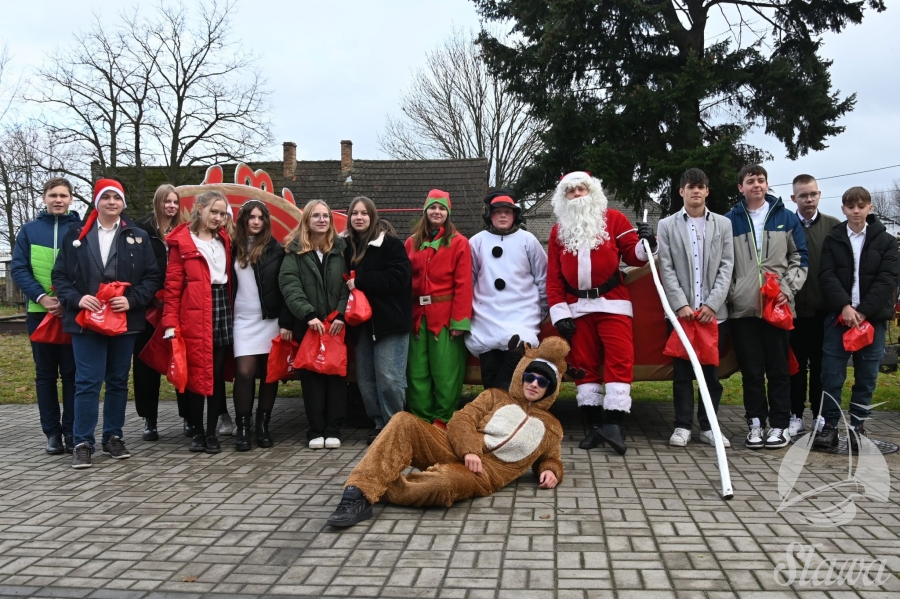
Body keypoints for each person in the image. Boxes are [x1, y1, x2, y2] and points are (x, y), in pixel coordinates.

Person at [325, 336, 569, 528]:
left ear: (551, 388)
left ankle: (376, 485)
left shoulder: (552, 428)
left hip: (484, 474)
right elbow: (461, 419)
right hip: (453, 445)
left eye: (543, 381)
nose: (534, 384)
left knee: (442, 485)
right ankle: (355, 494)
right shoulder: (495, 396)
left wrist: (551, 471)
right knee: (403, 421)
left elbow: (551, 458)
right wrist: (469, 450)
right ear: (522, 375)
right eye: (530, 376)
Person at [51, 179, 160, 468]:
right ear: (96, 202)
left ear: (123, 203)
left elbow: (152, 277)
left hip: (124, 321)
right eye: (106, 197)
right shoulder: (76, 235)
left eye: (117, 197)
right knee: (87, 382)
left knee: (117, 381)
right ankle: (82, 442)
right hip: (86, 322)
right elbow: (59, 276)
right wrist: (76, 299)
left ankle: (113, 436)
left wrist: (133, 300)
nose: (112, 202)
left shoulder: (137, 236)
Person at [546, 171, 654, 455]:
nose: (577, 195)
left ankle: (614, 425)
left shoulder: (615, 219)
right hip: (576, 308)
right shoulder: (558, 231)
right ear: (564, 197)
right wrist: (560, 313)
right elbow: (554, 278)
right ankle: (594, 426)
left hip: (612, 303)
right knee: (584, 364)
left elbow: (633, 256)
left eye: (582, 189)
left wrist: (647, 244)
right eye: (571, 191)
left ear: (592, 192)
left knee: (620, 358)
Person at [724, 165, 808, 450]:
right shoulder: (729, 221)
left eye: (761, 180)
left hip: (778, 307)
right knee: (751, 370)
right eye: (750, 181)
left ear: (767, 184)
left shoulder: (785, 217)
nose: (756, 185)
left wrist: (787, 289)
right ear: (741, 187)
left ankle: (780, 425)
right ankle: (756, 424)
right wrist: (733, 292)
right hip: (743, 308)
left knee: (779, 369)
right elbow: (724, 263)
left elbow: (800, 257)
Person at [814, 187, 899, 450]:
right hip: (839, 318)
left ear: (870, 208)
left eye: (861, 206)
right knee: (831, 374)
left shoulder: (886, 241)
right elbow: (826, 275)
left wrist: (863, 311)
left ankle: (857, 426)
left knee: (867, 375)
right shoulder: (834, 238)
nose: (856, 211)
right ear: (843, 209)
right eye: (851, 206)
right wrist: (845, 306)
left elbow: (888, 278)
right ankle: (829, 426)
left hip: (872, 319)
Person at [656, 168, 734, 448]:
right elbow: (666, 267)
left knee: (711, 374)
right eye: (691, 187)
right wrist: (681, 304)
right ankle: (682, 425)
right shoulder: (667, 225)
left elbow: (727, 265)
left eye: (701, 187)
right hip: (682, 314)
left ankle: (709, 426)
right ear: (682, 191)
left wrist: (713, 304)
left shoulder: (723, 224)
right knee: (682, 373)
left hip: (714, 315)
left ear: (707, 191)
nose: (696, 191)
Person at [11, 178, 80, 455]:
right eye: (53, 195)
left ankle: (73, 431)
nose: (58, 199)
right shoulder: (29, 230)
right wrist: (42, 297)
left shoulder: (81, 229)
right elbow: (19, 269)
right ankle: (52, 433)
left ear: (71, 199)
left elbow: (87, 269)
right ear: (44, 198)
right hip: (39, 314)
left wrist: (67, 300)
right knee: (46, 375)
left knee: (74, 375)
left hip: (72, 314)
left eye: (63, 195)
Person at [161, 190, 233, 454]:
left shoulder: (224, 239)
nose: (218, 218)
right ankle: (197, 433)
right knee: (193, 374)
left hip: (220, 307)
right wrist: (170, 323)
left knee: (214, 374)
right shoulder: (182, 242)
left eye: (222, 213)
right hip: (193, 312)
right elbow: (172, 286)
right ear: (199, 208)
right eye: (213, 211)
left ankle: (212, 432)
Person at [279, 200, 349, 449]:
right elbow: (290, 286)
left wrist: (341, 314)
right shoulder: (294, 251)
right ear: (306, 220)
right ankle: (315, 430)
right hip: (309, 325)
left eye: (326, 216)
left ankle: (333, 429)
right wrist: (308, 315)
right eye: (316, 216)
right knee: (312, 379)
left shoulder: (342, 250)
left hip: (336, 325)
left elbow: (347, 285)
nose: (322, 220)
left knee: (336, 377)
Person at [344, 196, 412, 445]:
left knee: (390, 379)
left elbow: (400, 278)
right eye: (354, 213)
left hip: (390, 324)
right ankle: (378, 423)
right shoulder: (346, 247)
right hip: (361, 325)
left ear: (373, 217)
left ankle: (395, 425)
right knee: (366, 379)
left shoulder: (391, 245)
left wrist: (362, 281)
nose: (359, 217)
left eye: (364, 213)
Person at [466, 189, 548, 392]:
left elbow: (543, 277)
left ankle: (501, 405)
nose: (503, 215)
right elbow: (470, 278)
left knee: (515, 360)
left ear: (514, 215)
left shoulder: (528, 240)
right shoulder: (476, 241)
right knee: (490, 367)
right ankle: (494, 409)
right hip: (486, 316)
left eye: (507, 212)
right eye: (498, 212)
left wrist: (543, 310)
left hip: (521, 315)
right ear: (490, 215)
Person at [405, 190, 473, 426]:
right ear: (425, 211)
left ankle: (443, 418)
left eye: (442, 208)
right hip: (416, 317)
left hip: (445, 317)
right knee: (417, 371)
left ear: (448, 213)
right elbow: (405, 281)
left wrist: (460, 321)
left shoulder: (459, 243)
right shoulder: (411, 243)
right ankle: (420, 418)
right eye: (433, 207)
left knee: (445, 371)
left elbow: (464, 284)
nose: (437, 212)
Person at [231, 200, 293, 451]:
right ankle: (243, 428)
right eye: (251, 217)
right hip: (242, 321)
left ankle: (262, 425)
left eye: (260, 217)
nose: (255, 221)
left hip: (269, 320)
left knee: (270, 374)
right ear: (244, 219)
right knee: (244, 373)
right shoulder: (231, 247)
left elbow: (286, 288)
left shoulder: (276, 250)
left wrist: (285, 322)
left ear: (266, 221)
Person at [133, 184, 189, 441]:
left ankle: (188, 416)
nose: (171, 206)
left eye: (175, 202)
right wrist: (153, 298)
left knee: (181, 359)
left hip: (178, 307)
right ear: (158, 202)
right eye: (167, 201)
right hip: (149, 309)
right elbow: (137, 270)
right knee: (146, 365)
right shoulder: (140, 231)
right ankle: (149, 419)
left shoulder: (184, 231)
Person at [788, 175, 840, 437]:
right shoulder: (785, 224)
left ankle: (820, 415)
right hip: (792, 312)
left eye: (812, 194)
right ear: (793, 198)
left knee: (821, 367)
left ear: (819, 195)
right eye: (803, 195)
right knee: (794, 367)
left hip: (823, 313)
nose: (808, 200)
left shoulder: (834, 226)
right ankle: (795, 415)